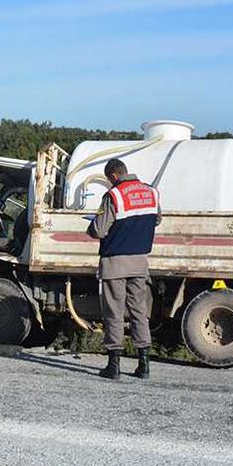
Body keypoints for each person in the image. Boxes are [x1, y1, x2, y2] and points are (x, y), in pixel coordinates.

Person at [87, 159, 161, 380]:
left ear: (113, 176)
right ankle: (144, 364)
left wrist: (91, 226)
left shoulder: (114, 195)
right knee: (139, 311)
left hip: (115, 262)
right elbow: (156, 219)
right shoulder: (152, 192)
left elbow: (100, 230)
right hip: (140, 261)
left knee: (114, 313)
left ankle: (114, 365)